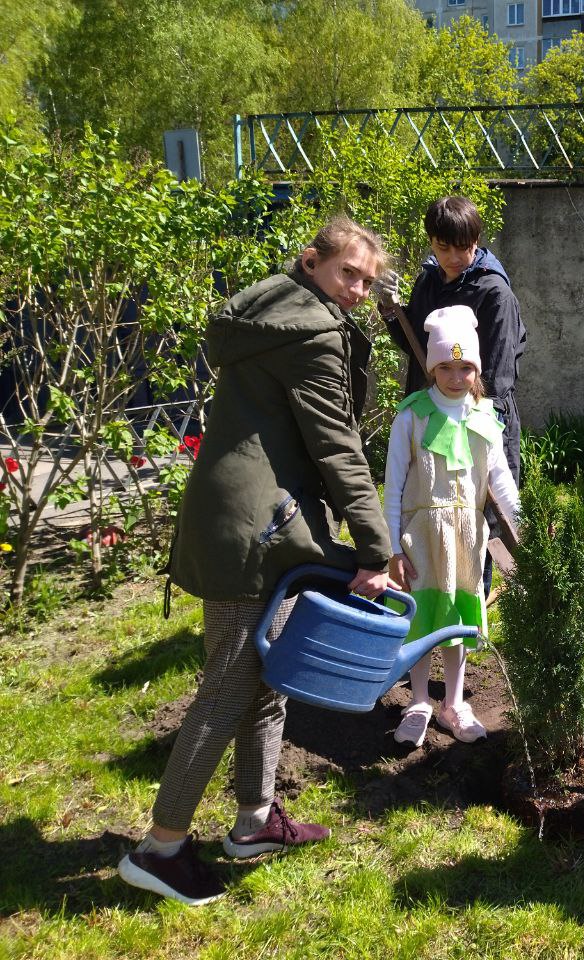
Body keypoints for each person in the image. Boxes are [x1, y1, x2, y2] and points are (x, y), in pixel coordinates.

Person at [117, 218, 395, 907]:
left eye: (367, 280)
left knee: (266, 677)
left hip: (249, 510)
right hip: (256, 527)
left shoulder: (270, 310)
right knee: (229, 686)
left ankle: (254, 821)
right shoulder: (312, 332)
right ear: (312, 261)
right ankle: (161, 847)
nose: (358, 291)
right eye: (346, 275)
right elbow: (336, 447)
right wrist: (376, 546)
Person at [385, 305, 520, 748]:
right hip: (420, 536)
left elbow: (500, 480)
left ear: (477, 370)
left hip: (466, 537)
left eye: (465, 367)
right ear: (432, 367)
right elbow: (392, 486)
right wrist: (393, 548)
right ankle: (420, 700)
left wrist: (524, 527)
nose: (456, 376)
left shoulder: (484, 417)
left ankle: (454, 702)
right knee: (422, 617)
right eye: (445, 366)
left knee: (460, 617)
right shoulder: (413, 416)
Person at [384, 195, 525, 489]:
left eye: (463, 247)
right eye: (442, 247)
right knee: (430, 506)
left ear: (476, 240)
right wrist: (392, 313)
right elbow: (417, 348)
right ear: (431, 242)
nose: (453, 258)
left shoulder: (494, 294)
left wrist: (475, 430)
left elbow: (498, 378)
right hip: (429, 415)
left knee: (483, 518)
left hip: (477, 421)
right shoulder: (428, 282)